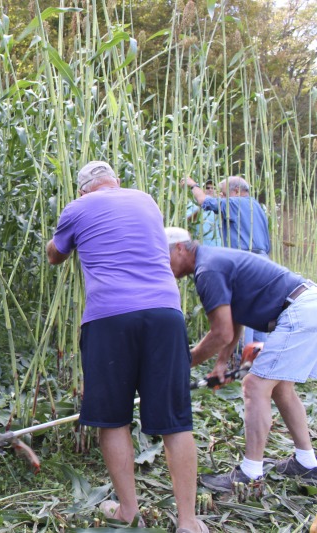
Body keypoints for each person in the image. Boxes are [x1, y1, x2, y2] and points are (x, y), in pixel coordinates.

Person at [46, 162, 205, 533]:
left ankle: (129, 511)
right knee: (176, 421)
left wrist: (60, 239)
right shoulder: (146, 200)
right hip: (166, 314)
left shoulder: (77, 207)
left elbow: (56, 254)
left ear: (84, 189)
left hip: (110, 317)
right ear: (116, 182)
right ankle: (188, 520)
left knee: (113, 418)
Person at [166, 227, 317, 492]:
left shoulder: (207, 269)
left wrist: (183, 363)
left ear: (180, 248)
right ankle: (306, 463)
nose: (161, 267)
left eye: (162, 258)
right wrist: (222, 363)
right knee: (281, 388)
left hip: (298, 312)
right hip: (305, 305)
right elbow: (234, 317)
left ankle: (250, 472)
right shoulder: (212, 260)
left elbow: (220, 331)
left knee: (254, 386)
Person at [184, 175, 270, 345]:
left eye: (222, 194)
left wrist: (193, 185)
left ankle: (239, 358)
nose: (221, 197)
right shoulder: (256, 207)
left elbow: (203, 201)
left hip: (245, 260)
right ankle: (257, 357)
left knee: (242, 311)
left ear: (236, 191)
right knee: (258, 310)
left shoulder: (235, 203)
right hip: (264, 261)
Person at [185, 179, 221, 247]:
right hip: (200, 245)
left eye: (213, 188)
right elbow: (186, 220)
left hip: (218, 245)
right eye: (207, 188)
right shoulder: (193, 204)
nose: (210, 189)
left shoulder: (220, 205)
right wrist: (201, 205)